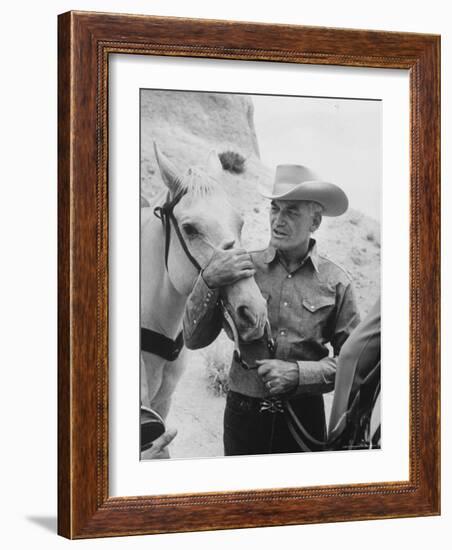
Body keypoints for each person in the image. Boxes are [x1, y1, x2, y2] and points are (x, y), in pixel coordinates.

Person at [183, 164, 361, 455]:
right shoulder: (240, 268)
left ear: (315, 221)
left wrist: (299, 373)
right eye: (275, 209)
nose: (278, 220)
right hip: (243, 414)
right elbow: (193, 339)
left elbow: (355, 364)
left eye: (292, 212)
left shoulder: (336, 281)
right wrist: (209, 280)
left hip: (304, 417)